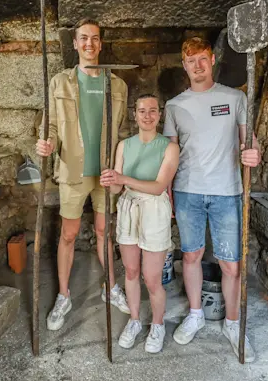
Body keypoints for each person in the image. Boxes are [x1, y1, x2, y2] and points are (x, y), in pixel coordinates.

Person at [162, 37, 262, 360]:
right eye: (191, 61)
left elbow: (251, 141)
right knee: (191, 256)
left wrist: (254, 154)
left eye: (202, 59)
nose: (198, 66)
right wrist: (167, 190)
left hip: (228, 191)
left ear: (213, 59)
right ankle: (195, 313)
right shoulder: (174, 106)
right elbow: (170, 153)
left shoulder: (234, 99)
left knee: (231, 264)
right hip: (188, 189)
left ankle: (233, 323)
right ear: (184, 66)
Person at [36, 18, 131, 331]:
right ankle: (64, 295)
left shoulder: (117, 85)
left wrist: (120, 170)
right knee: (68, 234)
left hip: (105, 172)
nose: (89, 44)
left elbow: (123, 131)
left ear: (100, 44)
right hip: (73, 168)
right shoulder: (60, 83)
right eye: (83, 39)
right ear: (75, 44)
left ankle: (110, 287)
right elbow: (49, 123)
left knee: (105, 233)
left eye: (95, 38)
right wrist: (46, 142)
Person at [100, 95, 180, 353]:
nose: (147, 116)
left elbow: (158, 187)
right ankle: (134, 320)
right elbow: (115, 190)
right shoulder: (124, 145)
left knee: (152, 278)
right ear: (135, 115)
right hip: (128, 208)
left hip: (154, 210)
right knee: (131, 272)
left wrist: (123, 178)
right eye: (142, 111)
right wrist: (110, 180)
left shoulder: (169, 147)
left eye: (152, 111)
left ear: (160, 115)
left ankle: (157, 324)